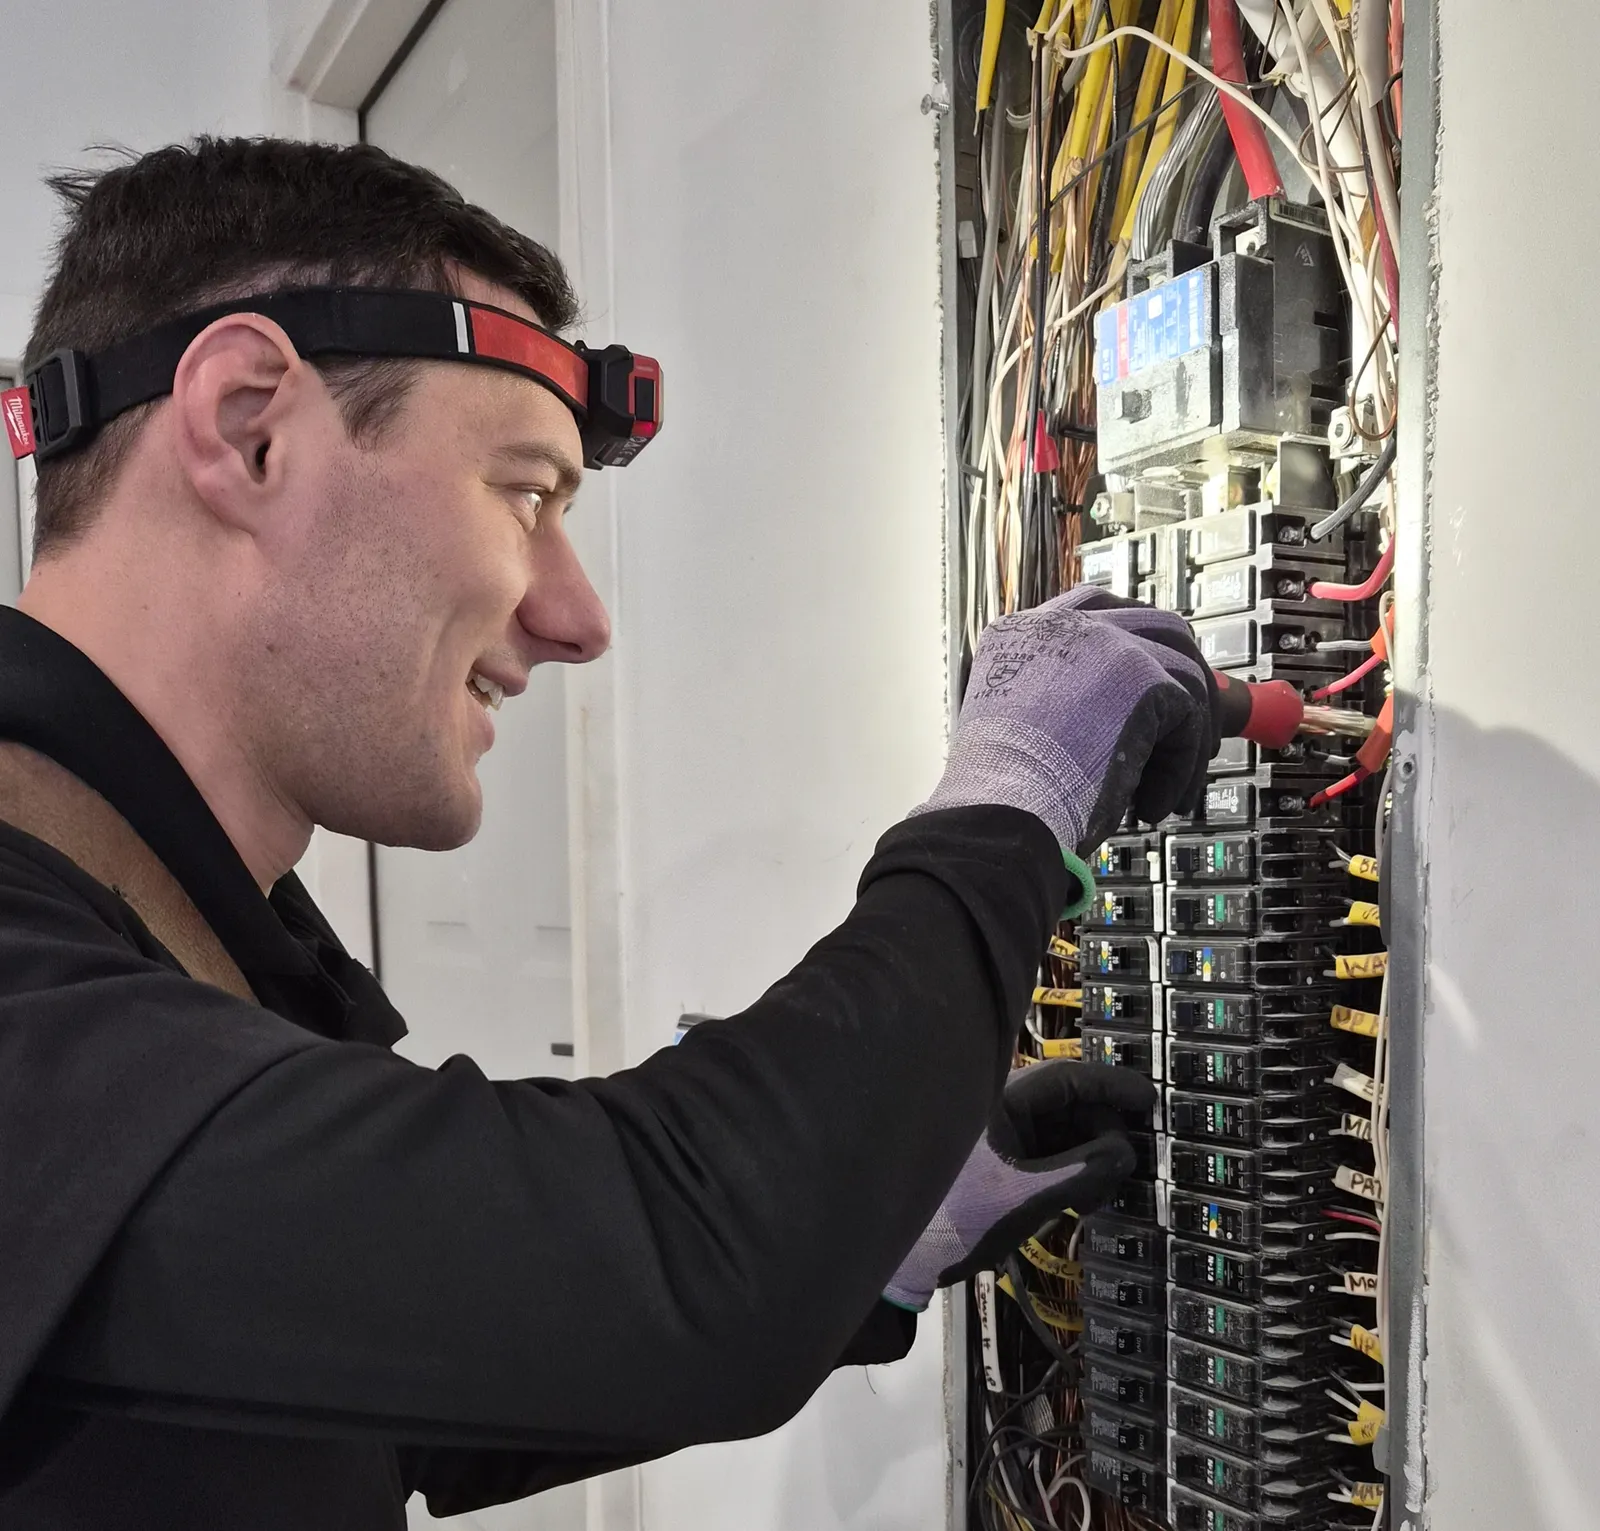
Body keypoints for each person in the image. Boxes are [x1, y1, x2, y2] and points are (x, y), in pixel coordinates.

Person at [0, 138, 1218, 1529]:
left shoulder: (182, 928)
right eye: (526, 492)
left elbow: (392, 1388)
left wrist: (876, 1241)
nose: (576, 618)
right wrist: (1011, 799)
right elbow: (688, 1270)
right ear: (248, 425)